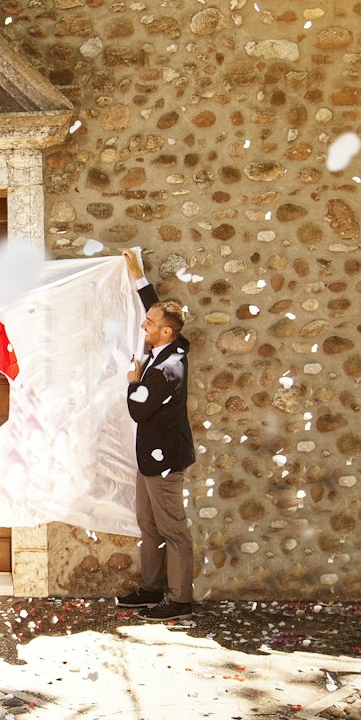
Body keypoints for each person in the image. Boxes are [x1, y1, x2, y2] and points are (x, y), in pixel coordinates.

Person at [116, 250, 196, 618]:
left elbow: (137, 410)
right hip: (149, 459)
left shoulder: (167, 370)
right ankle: (151, 590)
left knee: (173, 530)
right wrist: (139, 276)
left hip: (164, 464)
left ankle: (179, 600)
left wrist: (133, 382)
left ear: (165, 331)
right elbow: (157, 310)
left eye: (149, 324)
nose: (143, 326)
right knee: (148, 526)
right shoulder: (175, 343)